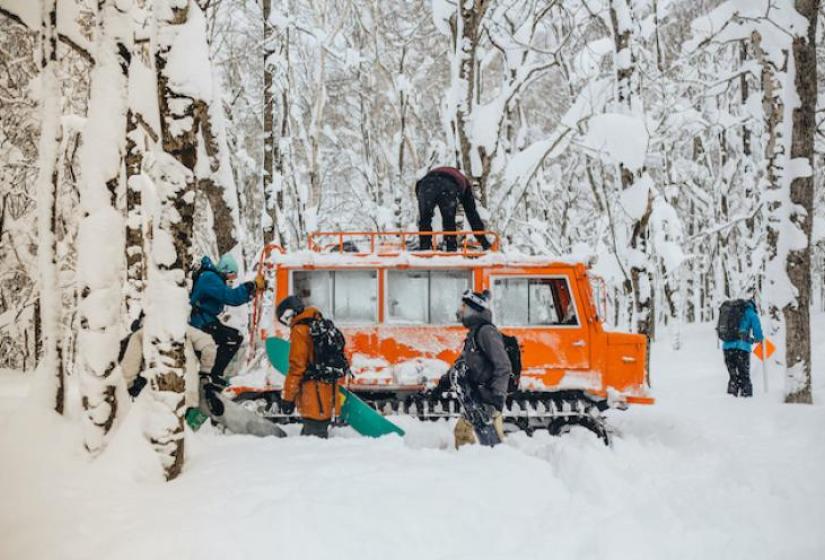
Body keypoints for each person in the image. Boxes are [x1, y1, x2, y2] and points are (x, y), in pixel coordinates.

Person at [433, 289, 510, 448]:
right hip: (476, 399)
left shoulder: (486, 332)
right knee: (462, 433)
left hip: (487, 401)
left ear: (473, 309)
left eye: (464, 307)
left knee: (491, 445)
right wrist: (442, 385)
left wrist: (496, 399)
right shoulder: (474, 335)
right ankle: (468, 467)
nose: (460, 311)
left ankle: (494, 469)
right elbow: (462, 363)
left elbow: (503, 365)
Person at [189, 254, 265, 381]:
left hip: (205, 319)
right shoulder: (210, 278)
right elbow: (230, 297)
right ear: (225, 271)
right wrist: (250, 286)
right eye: (231, 277)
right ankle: (213, 375)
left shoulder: (211, 277)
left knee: (230, 337)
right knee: (232, 338)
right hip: (200, 322)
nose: (231, 281)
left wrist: (251, 293)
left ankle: (212, 374)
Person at [276, 295, 339, 438]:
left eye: (285, 320)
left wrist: (288, 398)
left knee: (313, 446)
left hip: (312, 396)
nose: (287, 324)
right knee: (316, 437)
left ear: (290, 313)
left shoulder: (300, 330)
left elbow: (297, 367)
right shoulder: (319, 323)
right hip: (326, 393)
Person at [415, 166, 491, 252]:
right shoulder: (464, 183)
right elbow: (472, 215)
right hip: (448, 185)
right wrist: (484, 242)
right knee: (449, 220)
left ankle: (424, 250)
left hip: (426, 184)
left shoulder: (424, 182)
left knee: (425, 219)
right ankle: (451, 250)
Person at [722, 299, 764, 397]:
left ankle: (731, 399)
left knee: (733, 376)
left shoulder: (730, 310)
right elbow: (758, 334)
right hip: (742, 348)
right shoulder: (751, 313)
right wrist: (755, 340)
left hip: (727, 347)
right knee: (744, 376)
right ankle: (746, 400)